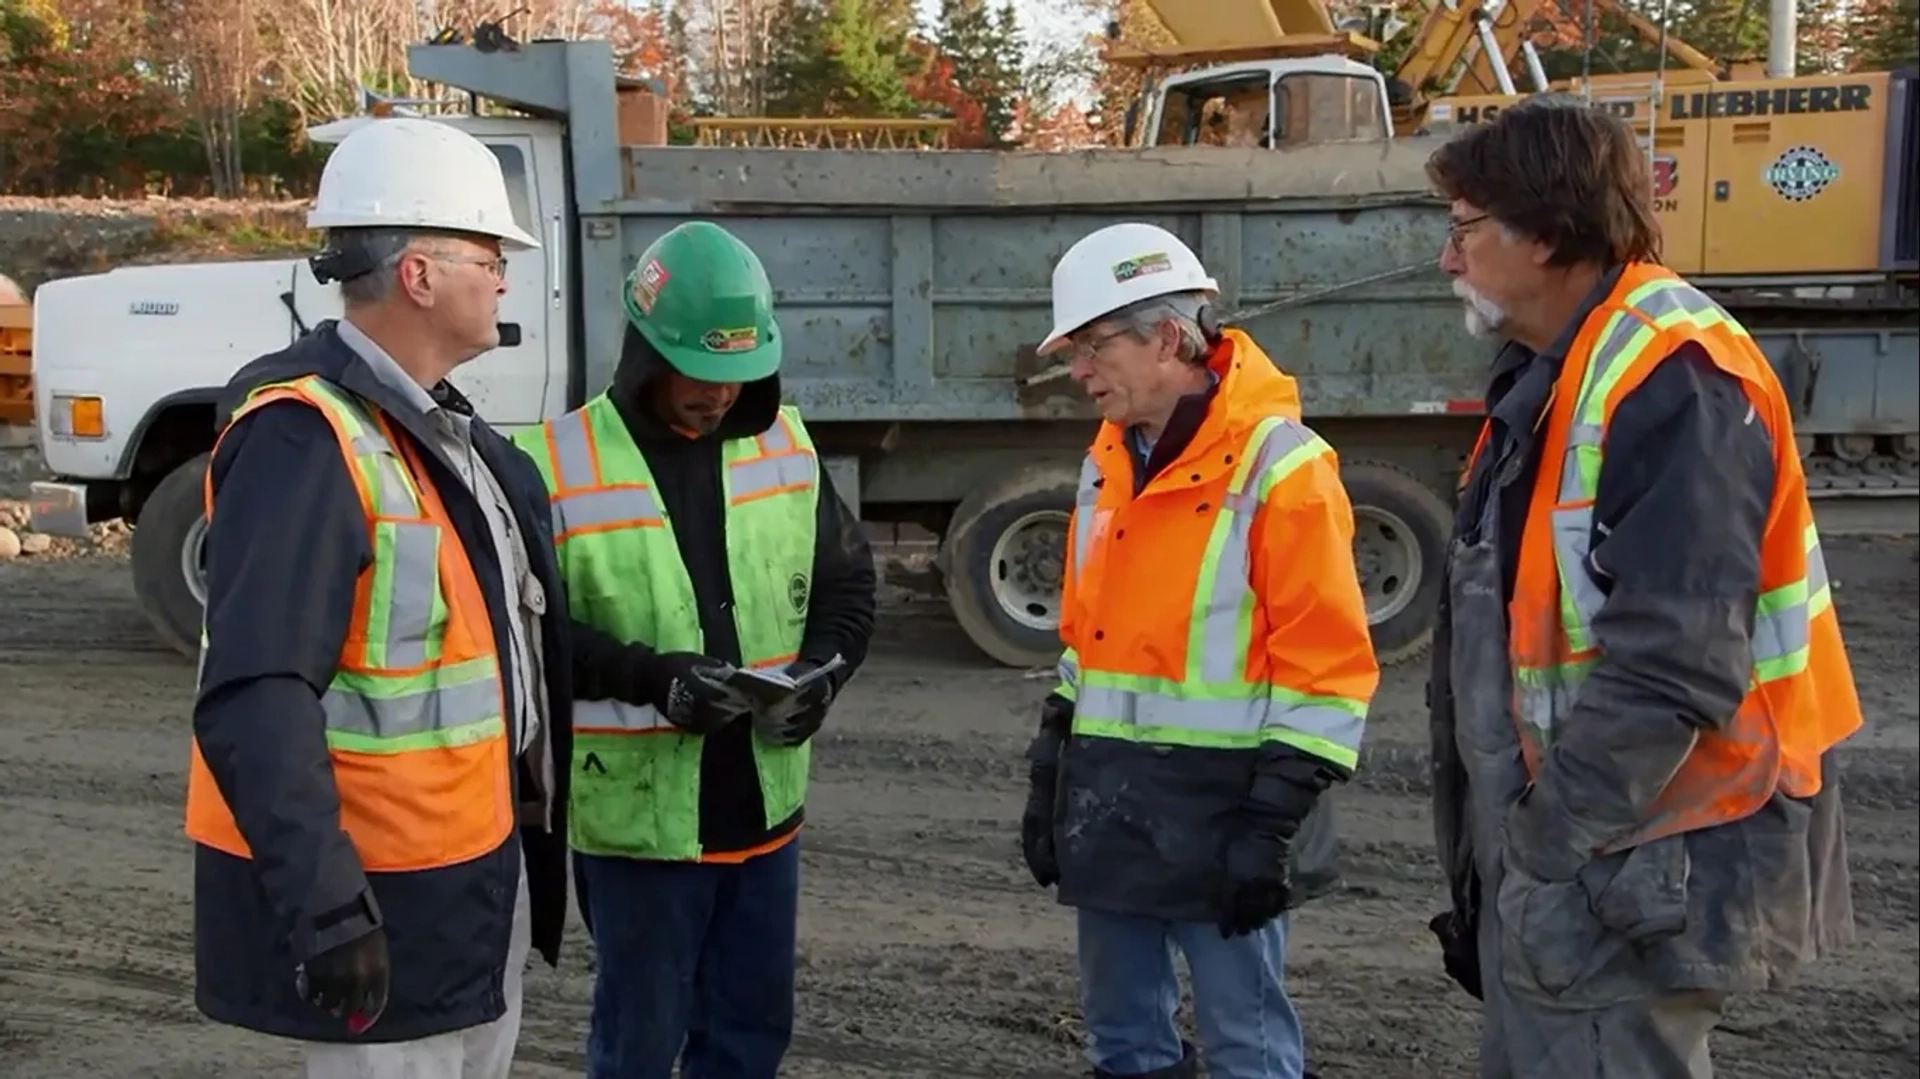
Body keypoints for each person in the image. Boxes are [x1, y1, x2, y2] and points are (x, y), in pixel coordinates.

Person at [1421, 97, 1863, 1079]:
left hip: (1637, 843)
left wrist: (1548, 841)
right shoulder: (1562, 368)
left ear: (1544, 233)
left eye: (1464, 230)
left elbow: (1676, 660)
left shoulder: (1672, 374)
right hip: (1596, 838)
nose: (1447, 258)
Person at [186, 116, 576, 1078]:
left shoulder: (450, 437)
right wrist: (325, 907)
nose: (504, 276)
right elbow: (258, 691)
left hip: (469, 884)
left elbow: (508, 642)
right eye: (490, 252)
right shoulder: (305, 442)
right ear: (419, 273)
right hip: (383, 901)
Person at [510, 220, 877, 1079]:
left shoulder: (783, 442)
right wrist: (657, 682)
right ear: (645, 350)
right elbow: (531, 633)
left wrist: (825, 672)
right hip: (640, 829)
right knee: (639, 1041)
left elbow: (849, 587)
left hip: (763, 811)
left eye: (738, 377)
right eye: (700, 374)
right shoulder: (553, 463)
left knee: (750, 1038)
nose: (719, 396)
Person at [1018, 222, 1380, 1079]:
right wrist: (1051, 764)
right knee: (1121, 1040)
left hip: (1230, 815)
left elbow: (1326, 668)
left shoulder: (1281, 467)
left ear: (1170, 338)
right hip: (1115, 802)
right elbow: (1087, 640)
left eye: (1093, 345)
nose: (1077, 370)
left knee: (1246, 1049)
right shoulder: (1106, 463)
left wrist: (1271, 823)